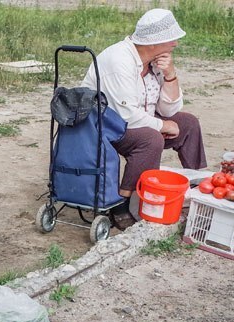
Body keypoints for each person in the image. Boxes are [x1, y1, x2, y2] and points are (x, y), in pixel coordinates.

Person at [81, 8, 207, 227]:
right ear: (153, 43)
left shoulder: (154, 62)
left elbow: (169, 110)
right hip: (105, 124)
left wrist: (170, 75)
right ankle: (121, 204)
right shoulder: (119, 60)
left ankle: (199, 187)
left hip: (135, 120)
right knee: (151, 138)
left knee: (188, 123)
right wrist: (162, 125)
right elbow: (126, 115)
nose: (175, 44)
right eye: (171, 39)